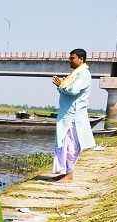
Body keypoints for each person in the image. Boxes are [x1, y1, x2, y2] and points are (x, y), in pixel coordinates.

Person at [51, 48, 96, 183]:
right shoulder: (75, 74)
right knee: (63, 144)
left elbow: (73, 90)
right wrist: (62, 86)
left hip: (73, 116)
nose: (69, 61)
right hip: (66, 115)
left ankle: (69, 174)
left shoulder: (84, 74)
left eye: (72, 58)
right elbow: (68, 89)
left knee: (71, 146)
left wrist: (61, 86)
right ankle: (64, 172)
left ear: (80, 59)